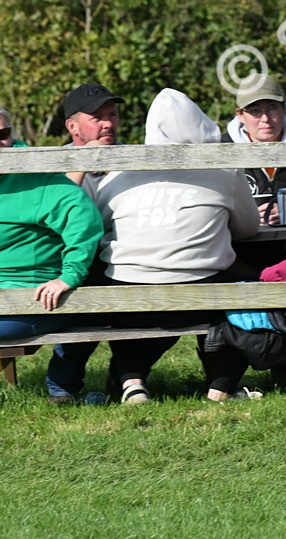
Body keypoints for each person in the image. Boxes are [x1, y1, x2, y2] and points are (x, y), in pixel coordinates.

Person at [94, 89, 261, 403]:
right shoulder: (224, 172)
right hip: (199, 293)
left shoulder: (117, 175)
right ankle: (221, 386)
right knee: (252, 290)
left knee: (122, 288)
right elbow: (248, 229)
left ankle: (132, 383)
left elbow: (99, 223)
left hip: (128, 295)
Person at [43, 82, 126, 404]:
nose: (108, 123)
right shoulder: (50, 164)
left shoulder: (134, 158)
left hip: (125, 257)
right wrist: (82, 163)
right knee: (83, 303)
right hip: (72, 262)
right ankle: (62, 384)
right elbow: (52, 220)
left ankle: (126, 378)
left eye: (112, 115)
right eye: (97, 117)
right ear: (72, 126)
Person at [0, 104, 104, 346]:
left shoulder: (37, 177)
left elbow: (84, 220)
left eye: (2, 134)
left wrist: (69, 277)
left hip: (30, 297)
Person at [224, 74, 286, 228]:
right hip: (243, 242)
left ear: (284, 109)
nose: (265, 118)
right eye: (255, 110)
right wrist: (243, 216)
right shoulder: (222, 148)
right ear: (240, 115)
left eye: (272, 108)